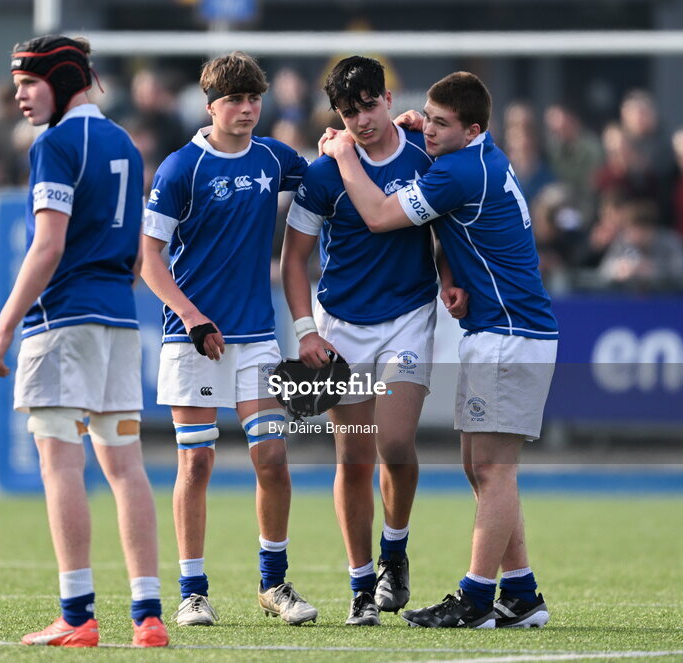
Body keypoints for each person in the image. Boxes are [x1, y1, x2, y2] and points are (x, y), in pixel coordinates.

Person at [321, 71, 557, 629]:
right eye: (426, 116)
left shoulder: (456, 171)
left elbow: (380, 216)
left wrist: (345, 153)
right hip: (496, 330)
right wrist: (423, 129)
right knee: (482, 468)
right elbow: (449, 221)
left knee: (494, 471)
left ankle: (476, 598)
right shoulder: (480, 152)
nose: (428, 128)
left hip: (509, 333)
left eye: (441, 123)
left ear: (471, 129)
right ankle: (521, 594)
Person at [0, 35, 167, 648]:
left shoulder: (54, 144)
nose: (20, 98)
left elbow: (48, 245)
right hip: (118, 319)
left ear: (61, 81)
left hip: (63, 321)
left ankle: (77, 614)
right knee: (125, 465)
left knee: (60, 460)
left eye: (27, 85)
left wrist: (5, 323)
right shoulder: (124, 143)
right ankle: (148, 617)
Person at [280, 55, 466, 626]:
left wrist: (451, 278)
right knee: (353, 455)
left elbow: (448, 225)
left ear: (387, 98)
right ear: (335, 113)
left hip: (408, 318)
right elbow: (293, 261)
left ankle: (395, 549)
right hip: (340, 328)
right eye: (348, 111)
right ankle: (362, 585)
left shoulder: (423, 153)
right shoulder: (322, 172)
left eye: (368, 105)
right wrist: (306, 331)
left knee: (393, 442)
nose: (361, 120)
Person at [141, 51, 317, 627]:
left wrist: (365, 138)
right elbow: (148, 259)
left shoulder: (274, 158)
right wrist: (192, 316)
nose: (247, 110)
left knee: (272, 458)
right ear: (210, 106)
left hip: (257, 337)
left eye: (254, 99)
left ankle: (274, 584)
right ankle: (192, 591)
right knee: (196, 464)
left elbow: (329, 177)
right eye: (235, 100)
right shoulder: (179, 170)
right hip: (192, 339)